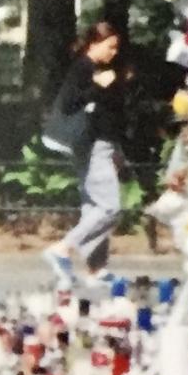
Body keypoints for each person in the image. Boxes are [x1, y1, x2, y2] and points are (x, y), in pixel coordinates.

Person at [45, 19, 131, 283]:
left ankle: (96, 268)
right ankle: (62, 249)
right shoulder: (84, 67)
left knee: (93, 205)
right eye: (110, 46)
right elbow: (71, 102)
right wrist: (98, 86)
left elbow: (108, 114)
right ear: (95, 43)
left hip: (101, 144)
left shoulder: (98, 68)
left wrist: (116, 148)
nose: (114, 52)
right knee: (109, 207)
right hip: (93, 145)